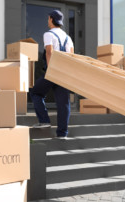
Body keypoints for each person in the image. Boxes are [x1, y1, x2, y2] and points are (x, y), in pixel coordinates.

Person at [30, 10, 74, 139]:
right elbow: (72, 57)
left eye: (48, 18)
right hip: (64, 73)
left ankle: (44, 120)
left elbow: (49, 52)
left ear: (51, 19)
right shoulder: (68, 38)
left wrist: (51, 71)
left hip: (53, 71)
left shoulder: (48, 34)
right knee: (63, 103)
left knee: (36, 92)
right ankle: (62, 134)